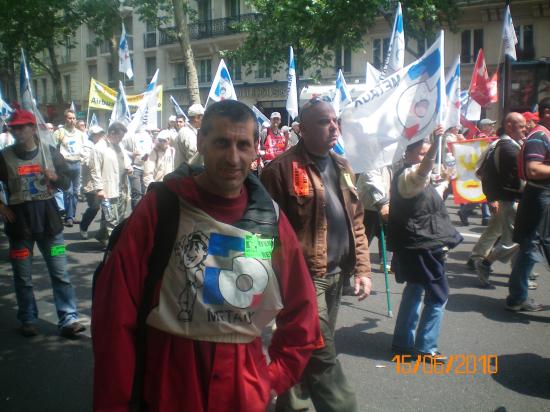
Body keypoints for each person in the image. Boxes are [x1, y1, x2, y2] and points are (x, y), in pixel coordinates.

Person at [92, 100, 320, 411]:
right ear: (201, 143)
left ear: (256, 149)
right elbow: (115, 315)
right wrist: (115, 402)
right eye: (221, 143)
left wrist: (271, 380)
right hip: (169, 387)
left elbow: (302, 311)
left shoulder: (270, 220)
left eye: (243, 145)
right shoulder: (162, 208)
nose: (233, 157)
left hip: (242, 392)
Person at [261, 99, 371, 412]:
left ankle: (291, 406)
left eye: (336, 121)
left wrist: (363, 269)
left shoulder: (342, 166)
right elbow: (262, 231)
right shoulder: (279, 170)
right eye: (325, 122)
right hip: (302, 282)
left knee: (302, 348)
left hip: (337, 275)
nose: (334, 127)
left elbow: (357, 221)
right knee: (320, 352)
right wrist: (265, 281)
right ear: (302, 129)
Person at [0, 109, 85, 338]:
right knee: (23, 277)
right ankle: (27, 318)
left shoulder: (51, 153)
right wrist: (2, 206)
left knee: (60, 274)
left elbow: (67, 184)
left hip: (50, 227)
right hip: (20, 228)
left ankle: (69, 319)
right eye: (13, 127)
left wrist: (55, 177)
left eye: (21, 127)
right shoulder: (5, 156)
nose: (16, 131)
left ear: (32, 127)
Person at [388, 131, 462, 360]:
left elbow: (428, 194)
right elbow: (421, 173)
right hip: (422, 243)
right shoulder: (409, 175)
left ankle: (403, 342)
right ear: (408, 153)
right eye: (419, 152)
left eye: (425, 152)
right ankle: (425, 347)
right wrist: (434, 146)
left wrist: (447, 181)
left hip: (418, 241)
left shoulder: (413, 179)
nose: (423, 157)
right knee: (438, 295)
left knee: (415, 289)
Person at [470, 113, 526, 287]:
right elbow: (490, 175)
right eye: (522, 126)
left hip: (509, 199)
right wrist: (491, 198)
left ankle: (519, 274)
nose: (526, 129)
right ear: (509, 125)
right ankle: (484, 262)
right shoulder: (507, 147)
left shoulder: (510, 145)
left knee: (506, 235)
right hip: (510, 200)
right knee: (516, 240)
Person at [507, 98, 550, 312]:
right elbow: (533, 170)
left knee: (530, 247)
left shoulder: (543, 135)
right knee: (531, 247)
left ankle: (517, 297)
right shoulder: (540, 136)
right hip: (541, 196)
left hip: (541, 196)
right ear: (547, 113)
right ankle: (516, 297)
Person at [91, 122, 132, 248]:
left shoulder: (119, 146)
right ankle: (113, 244)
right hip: (108, 188)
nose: (121, 139)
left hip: (122, 186)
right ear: (112, 133)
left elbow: (125, 161)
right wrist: (99, 189)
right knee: (112, 218)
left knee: (120, 215)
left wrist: (128, 167)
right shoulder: (99, 147)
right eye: (120, 136)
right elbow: (95, 169)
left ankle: (102, 235)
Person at [53, 109, 87, 227]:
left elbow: (85, 148)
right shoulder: (59, 132)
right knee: (68, 192)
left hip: (77, 164)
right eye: (69, 118)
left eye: (73, 118)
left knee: (76, 192)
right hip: (65, 165)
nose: (72, 120)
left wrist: (83, 158)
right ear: (65, 119)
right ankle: (69, 217)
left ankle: (71, 215)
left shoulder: (80, 133)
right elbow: (52, 148)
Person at [79, 125, 105, 239]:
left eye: (101, 133)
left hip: (103, 181)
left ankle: (104, 233)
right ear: (92, 135)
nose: (99, 136)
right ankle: (83, 226)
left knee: (106, 207)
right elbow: (88, 163)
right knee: (94, 207)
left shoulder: (104, 145)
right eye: (96, 134)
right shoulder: (86, 146)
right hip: (90, 183)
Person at [122, 127, 153, 210]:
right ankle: (135, 217)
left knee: (144, 193)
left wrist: (148, 154)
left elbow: (151, 148)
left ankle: (142, 215)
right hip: (134, 167)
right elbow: (121, 148)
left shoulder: (148, 136)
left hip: (146, 167)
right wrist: (131, 153)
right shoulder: (129, 136)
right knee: (137, 193)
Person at [173, 104, 204, 168]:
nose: (203, 120)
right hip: (187, 174)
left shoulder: (185, 131)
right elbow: (194, 158)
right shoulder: (188, 134)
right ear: (196, 118)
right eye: (202, 117)